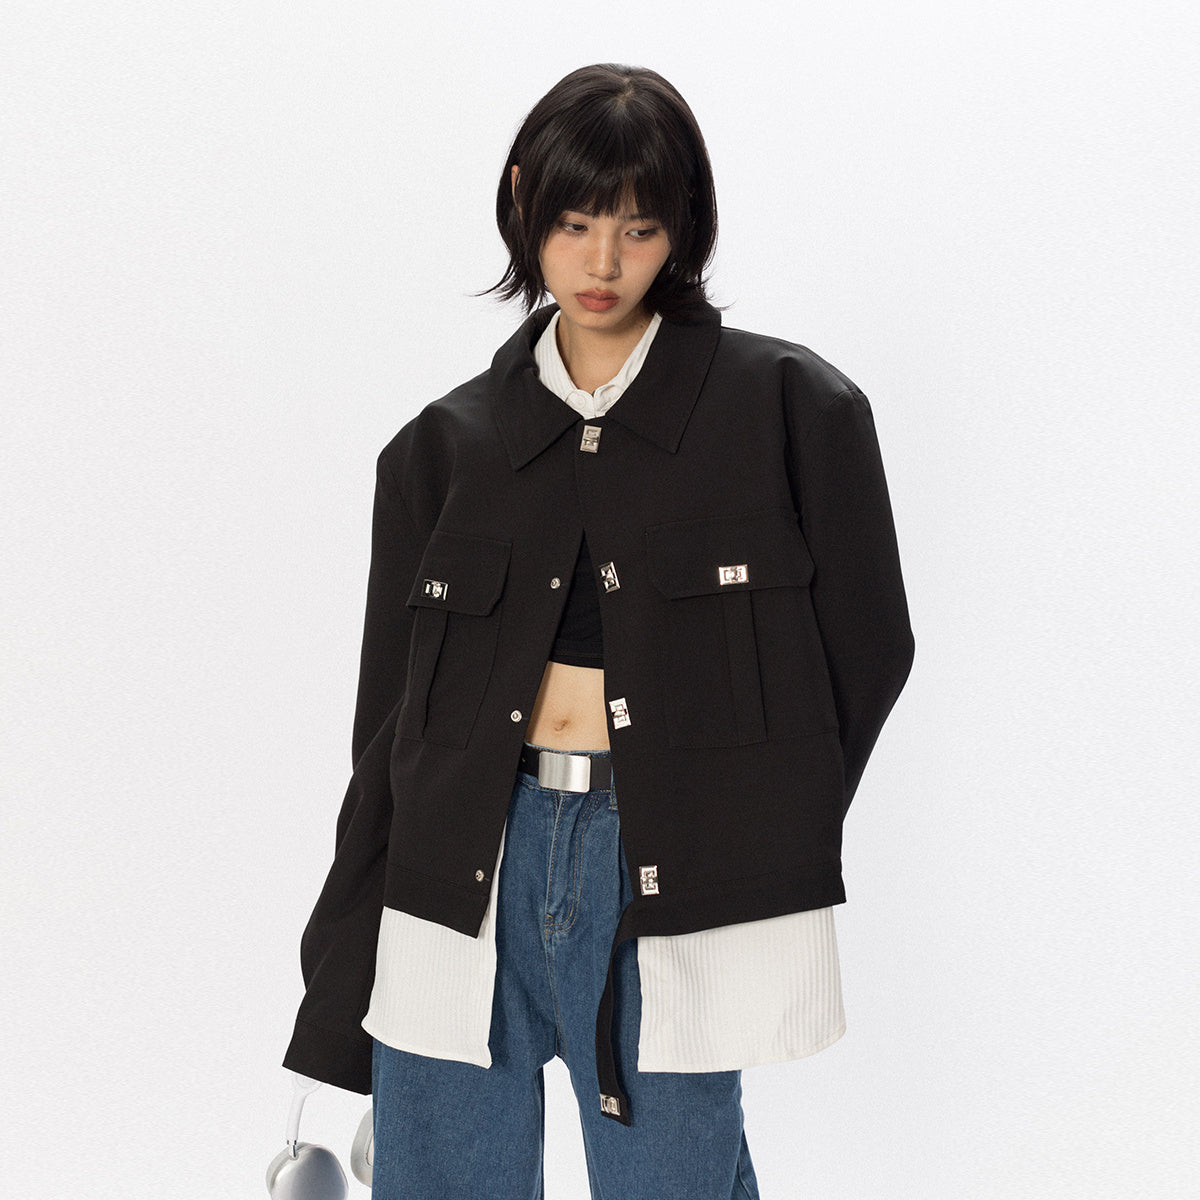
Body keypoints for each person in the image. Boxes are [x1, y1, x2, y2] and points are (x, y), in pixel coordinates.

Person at [282, 62, 914, 1200]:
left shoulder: (789, 410)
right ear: (524, 202)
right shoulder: (442, 449)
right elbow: (388, 743)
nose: (603, 265)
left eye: (637, 229)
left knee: (675, 1178)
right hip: (462, 874)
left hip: (662, 868)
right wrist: (335, 990)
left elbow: (869, 651)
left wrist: (748, 820)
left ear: (685, 226)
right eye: (574, 226)